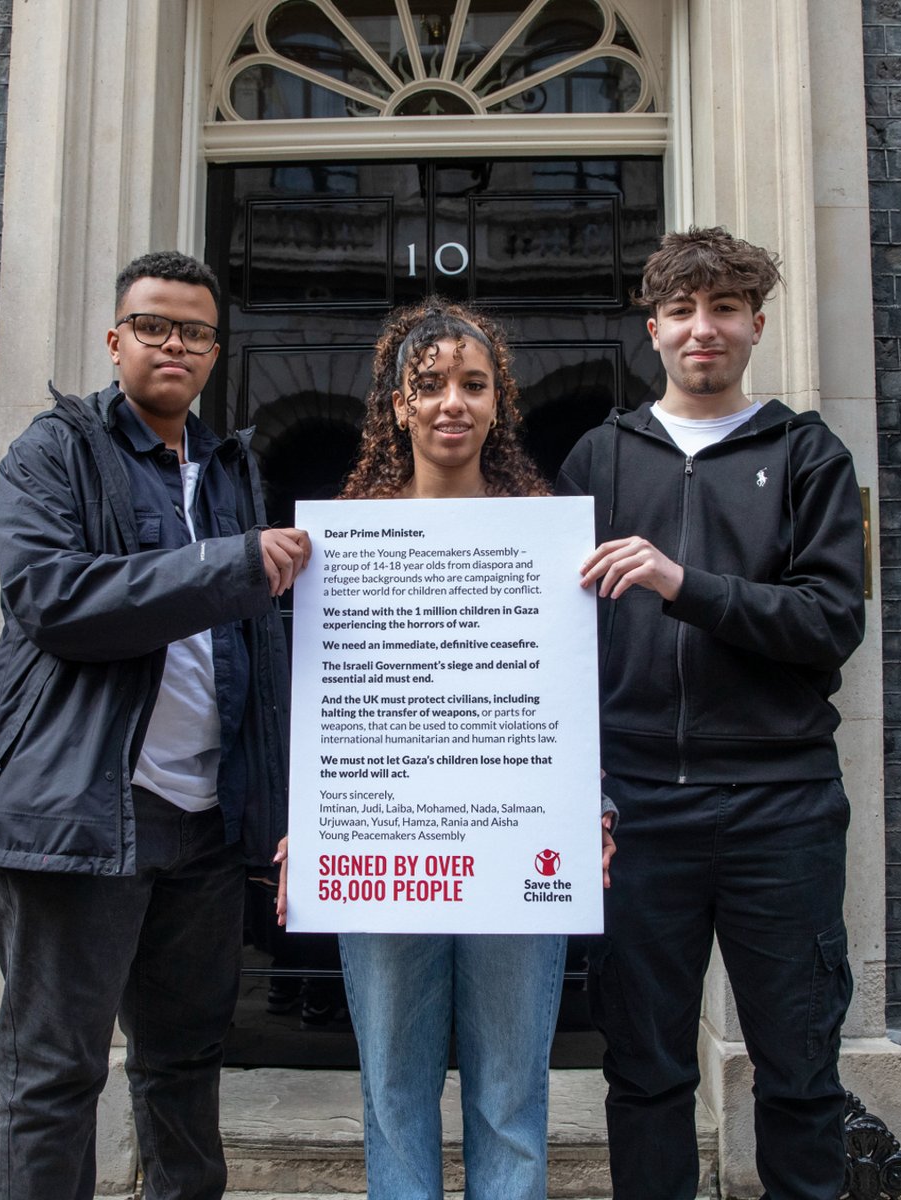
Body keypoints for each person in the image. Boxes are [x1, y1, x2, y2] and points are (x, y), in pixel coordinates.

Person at [0, 250, 311, 1200]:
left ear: (215, 351)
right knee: (54, 1073)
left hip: (203, 818)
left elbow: (263, 652)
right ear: (116, 339)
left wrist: (282, 809)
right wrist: (235, 563)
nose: (176, 345)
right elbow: (55, 598)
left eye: (195, 332)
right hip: (80, 814)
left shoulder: (230, 465)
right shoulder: (54, 450)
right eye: (155, 327)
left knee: (185, 1064)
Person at [556, 227, 865, 1199]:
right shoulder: (598, 459)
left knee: (800, 1074)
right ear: (655, 328)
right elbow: (542, 634)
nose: (704, 329)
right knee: (645, 1074)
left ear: (756, 325)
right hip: (639, 805)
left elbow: (830, 622)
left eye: (725, 309)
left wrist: (682, 582)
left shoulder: (809, 454)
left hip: (783, 804)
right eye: (683, 311)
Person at [304, 298, 616, 1200]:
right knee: (393, 1091)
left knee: (512, 1095)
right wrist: (310, 827)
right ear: (395, 406)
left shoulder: (548, 537)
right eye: (429, 384)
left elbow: (573, 690)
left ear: (497, 403)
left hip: (519, 842)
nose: (452, 402)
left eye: (473, 385)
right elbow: (326, 698)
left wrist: (591, 805)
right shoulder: (343, 540)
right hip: (386, 846)